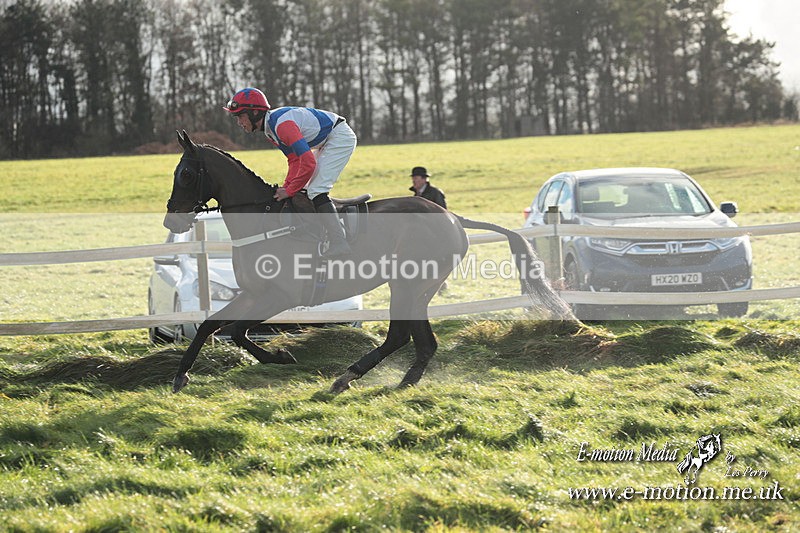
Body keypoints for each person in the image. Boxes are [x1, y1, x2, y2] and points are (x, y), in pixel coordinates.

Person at [223, 87, 356, 258]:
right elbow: (294, 160)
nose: (239, 122)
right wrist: (286, 189)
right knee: (305, 190)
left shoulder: (281, 127)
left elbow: (307, 162)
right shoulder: (271, 130)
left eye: (240, 116)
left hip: (339, 137)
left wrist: (290, 190)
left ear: (255, 112)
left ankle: (340, 242)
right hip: (325, 140)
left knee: (316, 190)